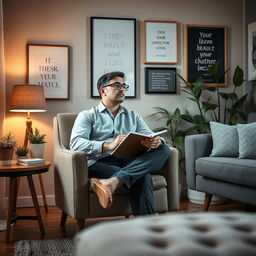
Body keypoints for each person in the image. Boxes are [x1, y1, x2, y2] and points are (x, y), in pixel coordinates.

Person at [70, 71, 171, 216]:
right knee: (142, 177)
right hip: (99, 162)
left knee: (164, 149)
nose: (122, 89)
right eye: (117, 85)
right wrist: (109, 145)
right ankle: (147, 226)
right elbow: (75, 143)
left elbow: (149, 134)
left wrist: (156, 141)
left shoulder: (133, 116)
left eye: (124, 86)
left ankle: (113, 182)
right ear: (102, 90)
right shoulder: (87, 115)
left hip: (128, 160)